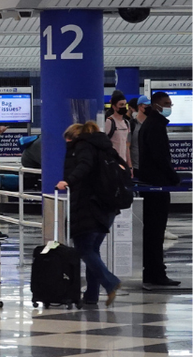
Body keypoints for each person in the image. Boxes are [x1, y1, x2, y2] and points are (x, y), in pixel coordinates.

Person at [55, 121, 123, 306]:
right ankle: (91, 295)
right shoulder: (105, 147)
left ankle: (111, 282)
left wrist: (67, 181)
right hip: (108, 205)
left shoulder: (82, 147)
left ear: (73, 137)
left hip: (89, 205)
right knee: (93, 250)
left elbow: (84, 167)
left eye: (67, 140)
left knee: (84, 249)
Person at [134, 91, 182, 289]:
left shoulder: (151, 124)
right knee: (155, 230)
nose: (169, 106)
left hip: (152, 182)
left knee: (154, 231)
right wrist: (174, 178)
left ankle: (154, 272)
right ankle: (155, 273)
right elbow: (160, 156)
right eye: (166, 103)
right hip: (156, 184)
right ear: (155, 105)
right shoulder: (155, 126)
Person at [103, 91, 135, 169]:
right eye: (121, 105)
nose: (124, 107)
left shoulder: (126, 123)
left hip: (123, 163)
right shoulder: (110, 121)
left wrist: (130, 165)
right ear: (114, 107)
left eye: (125, 104)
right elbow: (105, 144)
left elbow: (127, 146)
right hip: (113, 163)